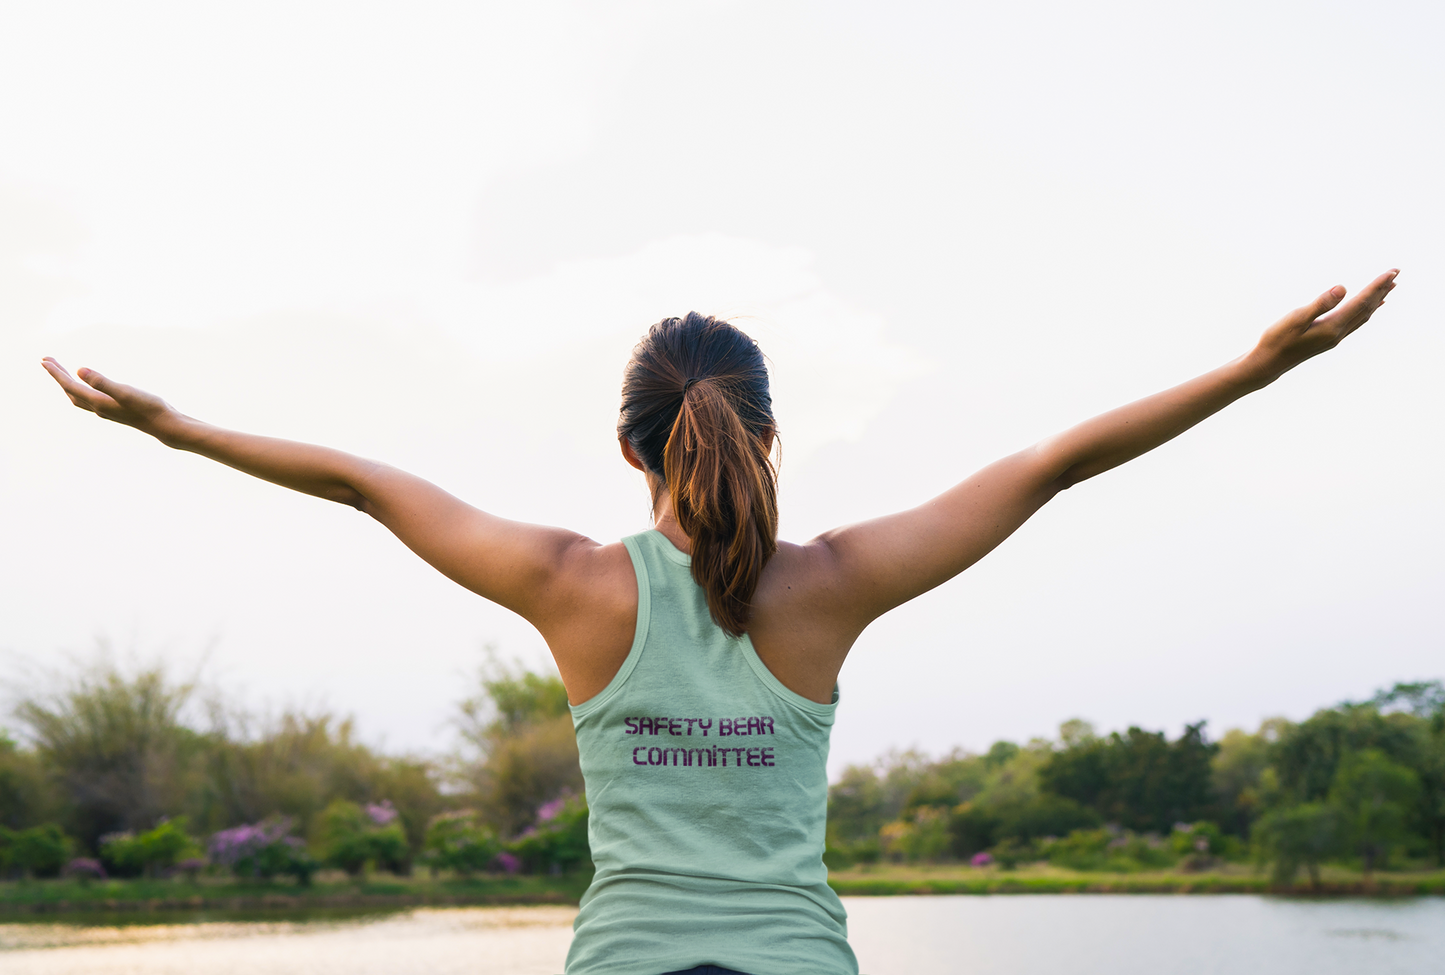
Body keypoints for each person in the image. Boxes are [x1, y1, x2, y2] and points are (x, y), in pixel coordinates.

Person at [43, 269, 1397, 974]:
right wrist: (1256, 370)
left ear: (633, 449)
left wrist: (175, 429)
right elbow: (1050, 465)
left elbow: (359, 482)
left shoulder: (572, 583)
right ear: (766, 434)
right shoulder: (835, 582)